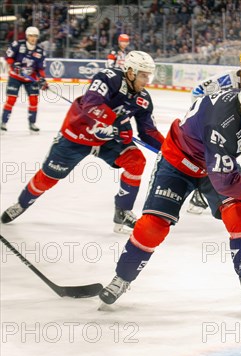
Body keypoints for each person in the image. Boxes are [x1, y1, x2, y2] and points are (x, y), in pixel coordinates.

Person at [98, 74, 241, 316]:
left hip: (214, 161)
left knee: (240, 214)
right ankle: (121, 278)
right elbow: (226, 182)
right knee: (153, 226)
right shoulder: (222, 123)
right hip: (179, 163)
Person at [1, 51, 164, 234]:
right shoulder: (108, 78)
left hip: (107, 141)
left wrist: (168, 149)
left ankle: (123, 211)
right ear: (131, 72)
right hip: (78, 136)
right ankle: (22, 203)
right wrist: (117, 123)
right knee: (48, 177)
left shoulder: (143, 100)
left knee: (136, 161)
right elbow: (91, 105)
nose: (146, 80)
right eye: (143, 75)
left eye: (148, 75)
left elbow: (148, 132)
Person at [187, 48, 241, 215]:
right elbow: (197, 92)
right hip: (221, 126)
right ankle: (202, 194)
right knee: (220, 160)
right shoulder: (226, 80)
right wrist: (208, 116)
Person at [1, 26, 48, 134]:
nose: (33, 38)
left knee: (34, 100)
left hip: (30, 79)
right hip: (15, 77)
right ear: (27, 36)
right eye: (31, 35)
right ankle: (3, 123)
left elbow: (40, 69)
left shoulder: (40, 51)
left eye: (35, 36)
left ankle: (32, 124)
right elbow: (7, 57)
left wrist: (42, 79)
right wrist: (14, 65)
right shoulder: (18, 44)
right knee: (11, 99)